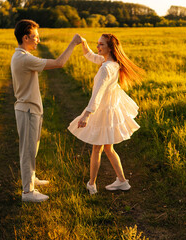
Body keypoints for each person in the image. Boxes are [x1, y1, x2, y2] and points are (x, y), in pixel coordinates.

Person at [11, 19, 81, 202]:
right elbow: (59, 63)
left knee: (32, 147)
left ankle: (31, 179)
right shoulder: (24, 58)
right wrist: (73, 43)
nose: (38, 41)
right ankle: (27, 192)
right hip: (27, 110)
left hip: (30, 109)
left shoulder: (21, 55)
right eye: (35, 37)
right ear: (25, 38)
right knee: (27, 150)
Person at [68, 33, 144, 195]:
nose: (98, 47)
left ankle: (92, 184)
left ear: (110, 48)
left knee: (97, 148)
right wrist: (84, 44)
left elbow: (97, 93)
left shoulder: (105, 68)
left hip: (102, 111)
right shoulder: (111, 63)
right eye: (97, 44)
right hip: (109, 109)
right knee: (108, 148)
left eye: (101, 45)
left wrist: (86, 115)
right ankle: (122, 181)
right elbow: (91, 56)